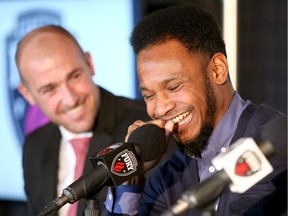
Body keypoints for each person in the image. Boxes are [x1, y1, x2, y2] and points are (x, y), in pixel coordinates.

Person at [102, 4, 287, 216]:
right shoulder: (169, 176)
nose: (161, 108)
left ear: (218, 70)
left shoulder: (274, 147)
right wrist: (130, 177)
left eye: (173, 87)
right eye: (149, 96)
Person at [15, 25, 151, 216]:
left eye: (75, 76)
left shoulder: (146, 129)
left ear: (89, 63)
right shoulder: (34, 145)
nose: (70, 99)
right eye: (49, 89)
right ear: (28, 94)